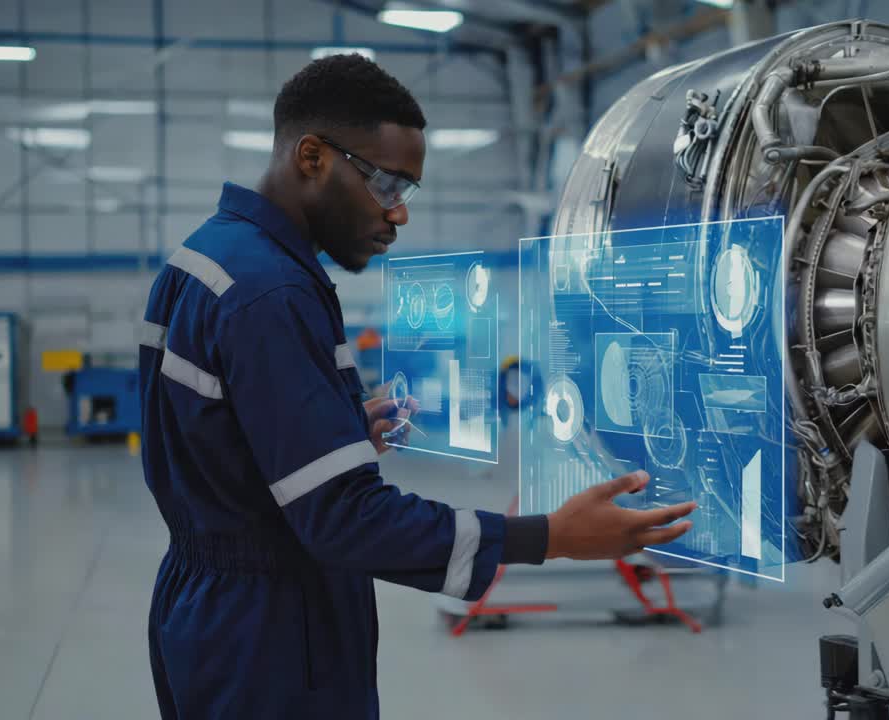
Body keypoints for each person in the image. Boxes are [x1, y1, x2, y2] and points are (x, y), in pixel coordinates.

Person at [137, 54, 697, 720]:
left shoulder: (207, 257)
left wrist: (333, 429)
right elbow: (342, 518)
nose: (397, 214)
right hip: (272, 636)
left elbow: (207, 437)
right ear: (311, 156)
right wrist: (551, 536)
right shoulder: (272, 292)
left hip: (206, 611)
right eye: (385, 182)